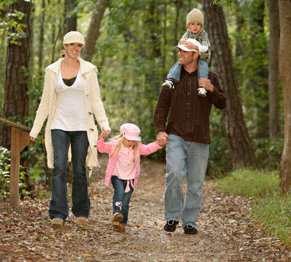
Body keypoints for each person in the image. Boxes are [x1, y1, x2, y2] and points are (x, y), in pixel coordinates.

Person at [29, 31, 111, 229]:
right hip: (58, 125)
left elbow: (96, 99)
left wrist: (104, 123)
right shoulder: (52, 71)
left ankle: (81, 212)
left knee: (80, 169)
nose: (75, 48)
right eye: (72, 44)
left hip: (82, 127)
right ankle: (58, 213)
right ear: (64, 46)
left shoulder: (89, 70)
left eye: (79, 45)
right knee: (59, 167)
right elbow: (45, 102)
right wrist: (36, 128)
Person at [154, 40, 226, 235]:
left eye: (184, 52)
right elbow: (161, 106)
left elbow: (222, 103)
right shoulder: (172, 78)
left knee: (195, 182)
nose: (180, 54)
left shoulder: (210, 77)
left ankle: (190, 221)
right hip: (176, 134)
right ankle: (171, 216)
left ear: (195, 55)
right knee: (175, 174)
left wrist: (211, 88)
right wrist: (160, 130)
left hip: (200, 137)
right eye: (179, 51)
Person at [97, 123, 164, 232]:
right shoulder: (115, 145)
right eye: (129, 140)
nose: (131, 143)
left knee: (126, 202)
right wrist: (102, 137)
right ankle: (117, 213)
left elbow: (148, 149)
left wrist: (158, 144)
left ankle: (121, 222)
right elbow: (101, 148)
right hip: (117, 175)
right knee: (119, 192)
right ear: (122, 136)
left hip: (130, 179)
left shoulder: (137, 148)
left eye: (133, 140)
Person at [162, 8, 211, 97]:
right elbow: (181, 41)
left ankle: (202, 87)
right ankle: (171, 80)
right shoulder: (187, 33)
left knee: (203, 66)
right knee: (178, 64)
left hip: (202, 56)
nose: (195, 27)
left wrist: (196, 47)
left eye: (198, 24)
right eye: (192, 24)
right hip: (189, 57)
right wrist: (182, 42)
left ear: (201, 26)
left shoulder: (203, 34)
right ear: (188, 25)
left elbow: (205, 47)